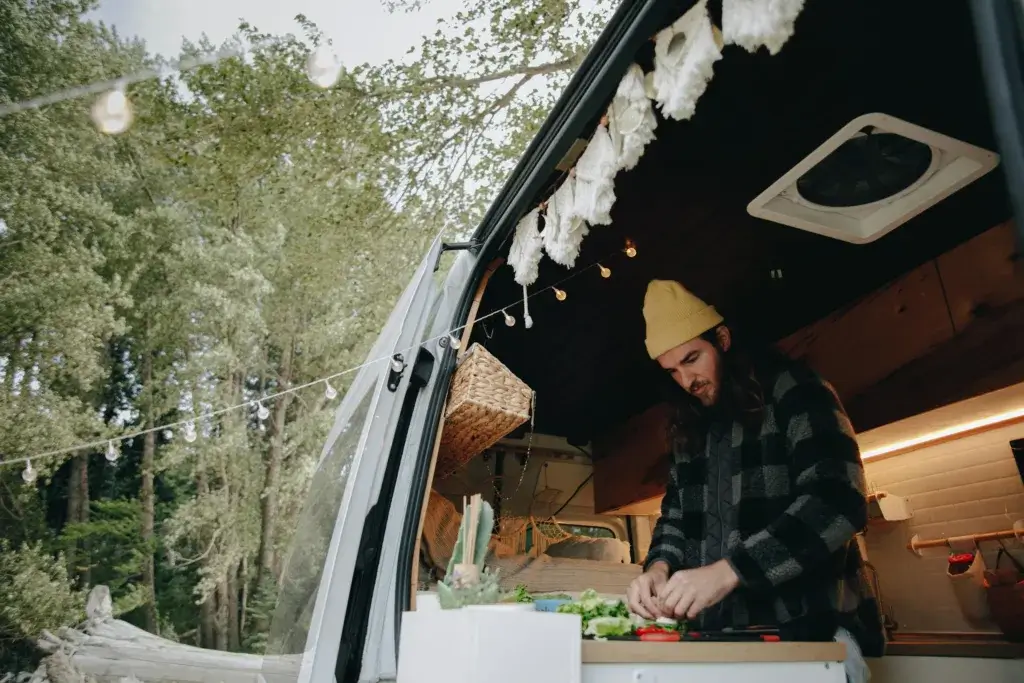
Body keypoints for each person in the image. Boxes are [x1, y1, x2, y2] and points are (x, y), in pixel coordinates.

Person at [627, 280, 885, 682]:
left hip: (811, 638)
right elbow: (675, 518)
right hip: (721, 640)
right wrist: (658, 568)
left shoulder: (795, 391)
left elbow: (838, 501)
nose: (686, 381)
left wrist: (729, 570)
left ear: (723, 340)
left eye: (692, 359)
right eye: (673, 371)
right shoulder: (689, 429)